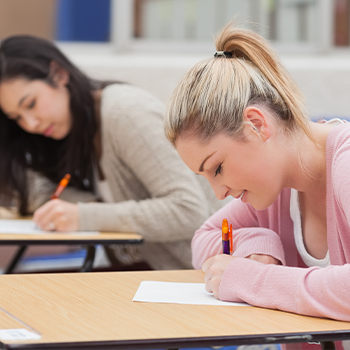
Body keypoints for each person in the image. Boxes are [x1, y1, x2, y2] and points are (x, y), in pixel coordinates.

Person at [164, 22, 350, 323]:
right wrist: (255, 245)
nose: (219, 192)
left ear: (257, 125)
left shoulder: (345, 162)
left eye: (218, 168)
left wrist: (256, 279)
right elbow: (203, 239)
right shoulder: (274, 191)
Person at [0, 35, 227, 270]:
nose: (30, 124)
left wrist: (84, 215)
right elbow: (43, 194)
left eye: (31, 104)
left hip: (194, 277)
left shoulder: (123, 112)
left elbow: (188, 210)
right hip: (147, 271)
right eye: (16, 118)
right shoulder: (72, 131)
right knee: (26, 287)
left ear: (59, 74)